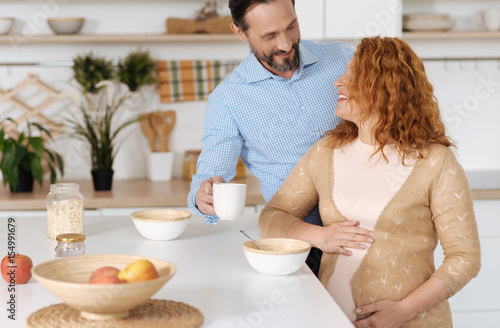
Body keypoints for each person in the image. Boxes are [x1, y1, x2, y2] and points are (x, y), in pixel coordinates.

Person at [259, 36, 481, 327]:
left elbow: (465, 257)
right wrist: (320, 237)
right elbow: (271, 218)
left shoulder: (435, 162)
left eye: (352, 75)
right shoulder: (325, 153)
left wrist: (402, 311)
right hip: (331, 319)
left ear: (384, 87)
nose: (338, 82)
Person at [188, 0, 373, 274]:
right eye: (270, 36)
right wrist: (204, 195)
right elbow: (211, 174)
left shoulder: (343, 59)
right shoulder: (228, 100)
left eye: (291, 26)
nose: (286, 44)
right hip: (297, 244)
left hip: (365, 228)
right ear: (240, 32)